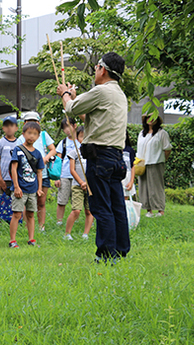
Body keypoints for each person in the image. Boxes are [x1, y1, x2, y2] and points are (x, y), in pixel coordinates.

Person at [57, 52, 130, 263]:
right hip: (116, 158)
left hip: (101, 158)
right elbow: (90, 117)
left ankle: (106, 255)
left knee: (101, 207)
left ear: (103, 69)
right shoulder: (119, 94)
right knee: (117, 206)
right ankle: (120, 251)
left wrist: (65, 93)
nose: (95, 71)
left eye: (97, 67)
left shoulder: (101, 90)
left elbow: (70, 108)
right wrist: (72, 96)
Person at [16, 111, 56, 232]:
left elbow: (53, 149)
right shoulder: (20, 139)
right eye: (29, 121)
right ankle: (26, 226)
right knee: (26, 201)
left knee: (41, 201)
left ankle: (41, 227)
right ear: (24, 123)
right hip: (27, 176)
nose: (32, 123)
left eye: (35, 121)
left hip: (42, 173)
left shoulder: (43, 135)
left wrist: (45, 158)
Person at [8, 121, 45, 248]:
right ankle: (12, 240)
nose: (31, 136)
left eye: (35, 134)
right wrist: (16, 187)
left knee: (30, 214)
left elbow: (40, 172)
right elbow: (13, 169)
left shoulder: (38, 154)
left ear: (38, 136)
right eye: (29, 133)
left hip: (32, 189)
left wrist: (39, 188)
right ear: (23, 134)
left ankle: (31, 239)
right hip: (20, 189)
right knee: (17, 214)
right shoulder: (18, 150)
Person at [137, 115, 172, 217]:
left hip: (156, 162)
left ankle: (160, 210)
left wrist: (163, 159)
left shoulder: (162, 133)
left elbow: (167, 149)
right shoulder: (141, 133)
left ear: (157, 120)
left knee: (156, 187)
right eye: (148, 117)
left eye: (153, 118)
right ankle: (149, 210)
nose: (150, 120)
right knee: (144, 187)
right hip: (142, 163)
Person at [64, 126, 94, 241]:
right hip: (77, 185)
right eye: (82, 136)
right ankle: (67, 234)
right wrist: (81, 182)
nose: (85, 138)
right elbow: (72, 170)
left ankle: (85, 234)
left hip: (91, 186)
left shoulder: (93, 153)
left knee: (89, 210)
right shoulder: (74, 152)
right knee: (76, 210)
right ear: (77, 138)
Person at [0, 116, 20, 222]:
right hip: (3, 177)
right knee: (0, 199)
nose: (9, 128)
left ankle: (14, 221)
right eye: (6, 126)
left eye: (11, 125)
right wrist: (0, 178)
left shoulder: (20, 143)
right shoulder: (0, 143)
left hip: (16, 179)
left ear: (16, 128)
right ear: (3, 128)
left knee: (15, 201)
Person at [55, 118, 77, 225]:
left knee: (77, 201)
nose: (66, 130)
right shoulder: (63, 143)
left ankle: (75, 221)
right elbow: (58, 161)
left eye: (68, 126)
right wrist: (57, 177)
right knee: (62, 200)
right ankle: (59, 221)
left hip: (78, 176)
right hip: (64, 174)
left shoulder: (81, 141)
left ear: (75, 126)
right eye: (64, 128)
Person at [123, 132, 136, 200]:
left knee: (125, 201)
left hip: (127, 178)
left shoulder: (129, 150)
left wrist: (131, 181)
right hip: (116, 178)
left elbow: (132, 166)